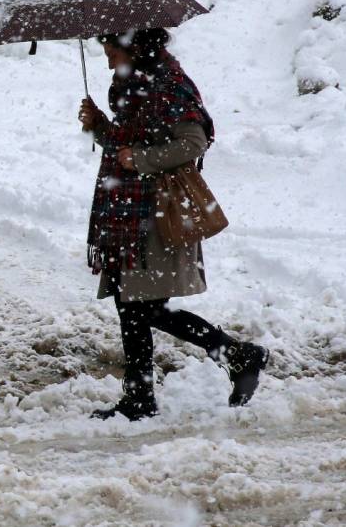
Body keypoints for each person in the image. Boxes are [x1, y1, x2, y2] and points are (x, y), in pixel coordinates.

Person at [78, 27, 268, 421]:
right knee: (136, 308)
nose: (108, 60)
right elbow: (127, 144)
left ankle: (227, 359)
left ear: (133, 49)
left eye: (112, 51)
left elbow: (192, 143)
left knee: (140, 308)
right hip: (128, 210)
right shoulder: (134, 88)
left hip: (155, 211)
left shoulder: (171, 87)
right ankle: (150, 394)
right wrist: (99, 126)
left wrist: (142, 160)